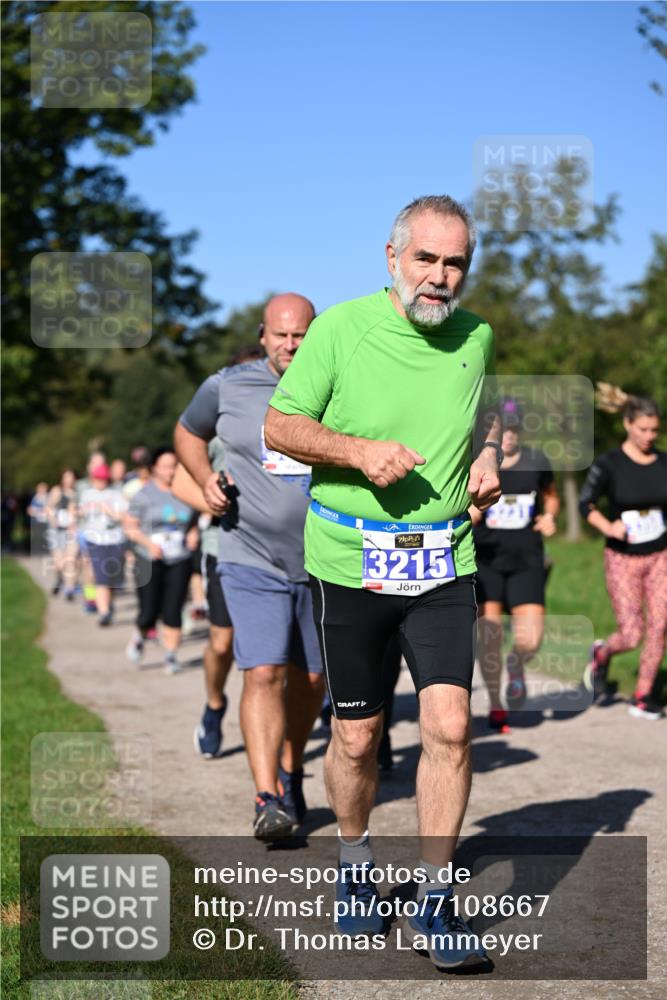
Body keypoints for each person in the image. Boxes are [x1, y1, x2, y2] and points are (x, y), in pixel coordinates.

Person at [264, 195, 501, 969]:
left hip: (442, 561)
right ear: (393, 257)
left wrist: (488, 454)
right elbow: (280, 425)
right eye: (425, 258)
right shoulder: (340, 328)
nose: (439, 276)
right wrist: (359, 452)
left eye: (454, 263)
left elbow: (487, 411)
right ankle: (355, 863)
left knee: (450, 727)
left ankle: (434, 898)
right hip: (350, 561)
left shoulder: (476, 336)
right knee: (357, 737)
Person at [175, 293, 326, 841]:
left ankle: (291, 767)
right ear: (263, 336)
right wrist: (205, 481)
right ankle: (267, 798)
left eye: (301, 335)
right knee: (262, 671)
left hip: (323, 558)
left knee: (311, 679)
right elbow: (188, 432)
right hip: (248, 552)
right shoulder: (227, 386)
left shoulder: (338, 385)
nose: (290, 345)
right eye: (280, 335)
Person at [470, 398, 560, 733]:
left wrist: (550, 516)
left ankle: (517, 663)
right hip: (487, 562)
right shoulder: (478, 463)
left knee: (531, 640)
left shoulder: (536, 461)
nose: (509, 434)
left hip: (527, 561)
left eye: (514, 428)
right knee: (490, 639)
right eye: (502, 429)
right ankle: (496, 705)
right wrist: (471, 513)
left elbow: (550, 495)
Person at [579, 391, 666, 721]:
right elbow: (585, 503)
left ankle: (643, 695)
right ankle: (602, 652)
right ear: (628, 424)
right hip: (622, 558)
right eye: (643, 429)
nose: (649, 436)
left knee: (659, 625)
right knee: (632, 634)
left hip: (660, 554)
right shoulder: (609, 464)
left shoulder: (663, 462)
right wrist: (608, 526)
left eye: (654, 430)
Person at [172, 439, 234, 759]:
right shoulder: (217, 422)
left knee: (276, 660)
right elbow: (181, 482)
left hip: (288, 550)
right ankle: (214, 704)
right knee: (222, 643)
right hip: (223, 547)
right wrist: (218, 506)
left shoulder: (300, 413)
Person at [124, 447, 198, 674]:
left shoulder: (185, 492)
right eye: (165, 466)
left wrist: (193, 533)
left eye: (173, 466)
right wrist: (148, 544)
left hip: (179, 557)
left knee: (173, 609)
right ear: (154, 468)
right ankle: (140, 635)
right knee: (149, 611)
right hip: (148, 558)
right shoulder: (143, 495)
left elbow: (194, 519)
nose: (170, 471)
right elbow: (130, 527)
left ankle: (171, 655)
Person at [78, 464, 128, 626]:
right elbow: (81, 513)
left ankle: (108, 603)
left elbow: (124, 517)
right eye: (97, 479)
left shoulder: (116, 494)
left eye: (103, 479)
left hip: (115, 540)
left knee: (112, 578)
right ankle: (104, 613)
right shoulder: (87, 495)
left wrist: (109, 511)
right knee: (100, 576)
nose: (100, 482)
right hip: (95, 541)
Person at [46, 468, 79, 599]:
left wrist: (75, 521)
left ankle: (69, 589)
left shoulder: (76, 493)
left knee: (70, 560)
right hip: (57, 531)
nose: (68, 480)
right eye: (66, 477)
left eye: (71, 477)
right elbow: (48, 508)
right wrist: (53, 520)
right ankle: (59, 579)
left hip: (71, 530)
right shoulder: (57, 491)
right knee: (59, 563)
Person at [27, 481, 50, 555]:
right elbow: (31, 509)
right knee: (37, 536)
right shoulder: (35, 498)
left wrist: (38, 511)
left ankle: (45, 551)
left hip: (45, 521)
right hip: (36, 521)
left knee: (46, 536)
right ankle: (37, 551)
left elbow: (47, 509)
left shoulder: (48, 497)